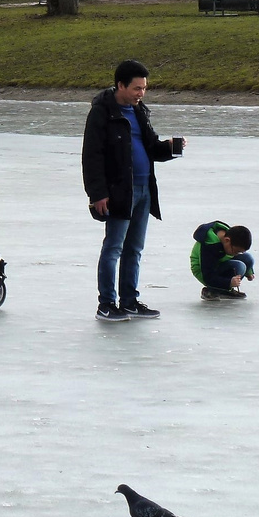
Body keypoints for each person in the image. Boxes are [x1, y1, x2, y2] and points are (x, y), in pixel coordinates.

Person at [82, 59, 183, 322]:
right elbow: (91, 156)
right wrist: (97, 194)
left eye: (144, 88)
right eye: (137, 88)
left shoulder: (139, 111)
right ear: (121, 85)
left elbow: (150, 147)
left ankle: (129, 301)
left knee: (134, 249)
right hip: (118, 192)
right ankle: (106, 304)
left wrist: (171, 147)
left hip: (144, 190)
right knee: (113, 247)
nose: (141, 93)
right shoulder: (102, 112)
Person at [191, 221, 256, 300]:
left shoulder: (227, 236)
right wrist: (228, 282)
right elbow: (207, 276)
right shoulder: (210, 247)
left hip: (219, 263)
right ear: (227, 240)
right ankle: (213, 290)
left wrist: (248, 271)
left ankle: (223, 289)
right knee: (239, 266)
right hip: (203, 271)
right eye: (235, 251)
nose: (236, 254)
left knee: (247, 258)